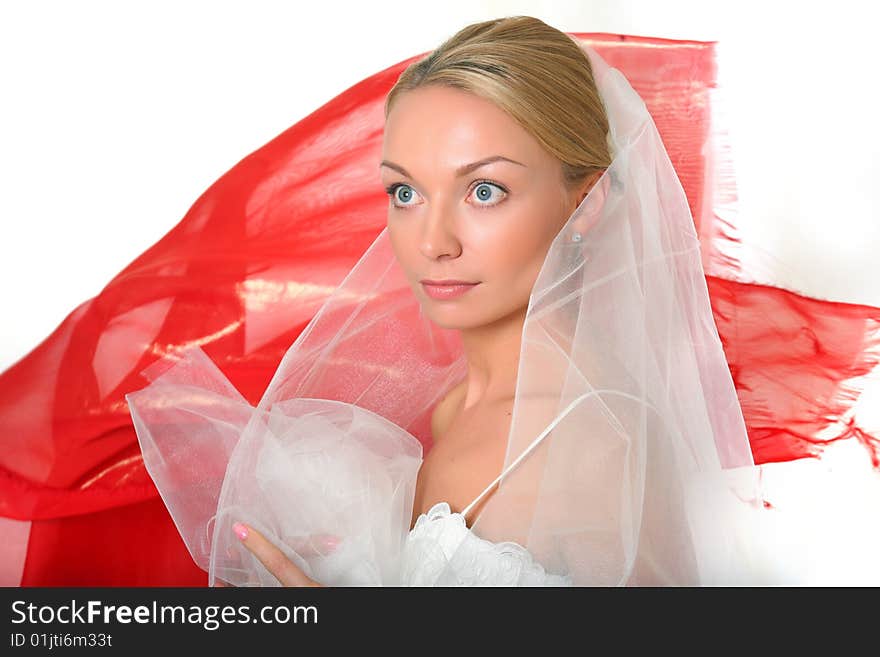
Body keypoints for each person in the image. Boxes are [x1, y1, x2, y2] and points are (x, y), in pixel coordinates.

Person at [125, 16, 786, 586]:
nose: (431, 242)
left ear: (585, 204)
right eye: (405, 193)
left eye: (484, 190)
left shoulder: (594, 442)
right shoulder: (451, 409)